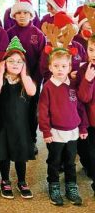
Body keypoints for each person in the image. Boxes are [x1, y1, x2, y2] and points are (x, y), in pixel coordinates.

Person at [39, 45, 88, 206]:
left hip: (73, 132)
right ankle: (53, 186)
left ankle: (71, 186)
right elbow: (43, 111)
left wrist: (82, 127)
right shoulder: (48, 87)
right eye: (56, 66)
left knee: (70, 161)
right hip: (55, 133)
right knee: (54, 161)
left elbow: (80, 108)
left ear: (70, 67)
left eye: (64, 66)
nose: (60, 69)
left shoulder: (74, 84)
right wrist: (46, 131)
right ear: (50, 67)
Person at [0, 37, 36, 199]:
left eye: (19, 61)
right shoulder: (1, 79)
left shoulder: (26, 81)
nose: (15, 64)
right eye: (11, 61)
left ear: (24, 65)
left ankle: (22, 181)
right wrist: (1, 71)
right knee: (4, 155)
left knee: (20, 155)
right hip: (4, 125)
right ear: (4, 62)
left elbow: (31, 92)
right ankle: (5, 180)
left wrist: (24, 74)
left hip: (21, 126)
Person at [7, 0, 46, 154]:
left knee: (30, 112)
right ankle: (11, 140)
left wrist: (35, 80)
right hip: (13, 81)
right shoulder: (9, 33)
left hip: (31, 82)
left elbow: (42, 61)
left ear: (31, 15)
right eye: (18, 13)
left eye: (25, 13)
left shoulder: (38, 34)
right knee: (13, 111)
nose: (22, 16)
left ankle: (31, 140)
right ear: (14, 16)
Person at [40, 12, 86, 83]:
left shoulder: (78, 46)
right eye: (67, 33)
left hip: (76, 86)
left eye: (72, 33)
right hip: (54, 87)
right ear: (59, 34)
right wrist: (66, 76)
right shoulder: (49, 48)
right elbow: (45, 71)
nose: (70, 36)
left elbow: (84, 64)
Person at [77, 34, 95, 197]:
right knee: (90, 153)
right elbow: (83, 98)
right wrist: (88, 80)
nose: (93, 54)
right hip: (90, 122)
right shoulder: (84, 70)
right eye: (91, 49)